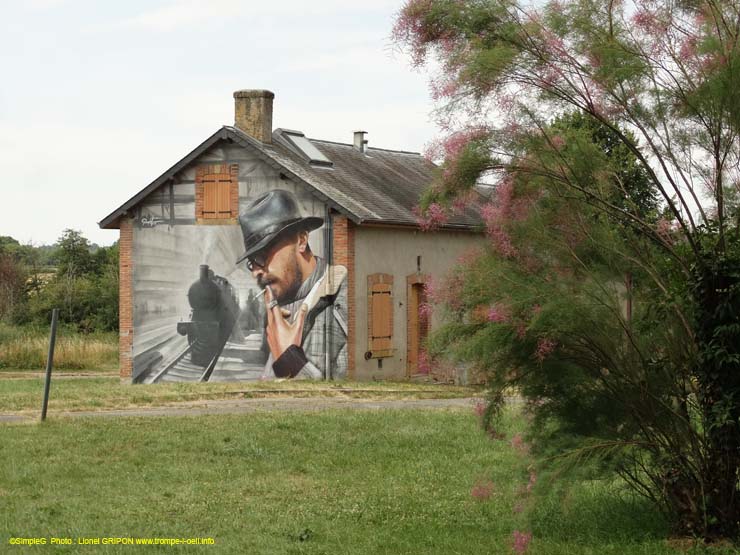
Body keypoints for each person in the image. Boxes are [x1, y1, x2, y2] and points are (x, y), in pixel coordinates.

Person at [236, 189, 348, 380]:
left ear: (301, 241)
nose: (256, 271)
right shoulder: (280, 308)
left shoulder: (346, 302)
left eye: (262, 256)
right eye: (252, 263)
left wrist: (290, 361)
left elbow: (345, 401)